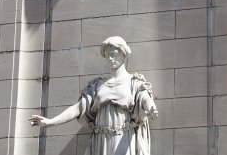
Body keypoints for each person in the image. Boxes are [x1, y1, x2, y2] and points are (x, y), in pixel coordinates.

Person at [29, 36, 158, 155]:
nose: (110, 59)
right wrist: (51, 122)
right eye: (107, 56)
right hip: (101, 140)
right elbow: (78, 108)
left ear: (124, 54)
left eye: (113, 55)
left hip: (123, 137)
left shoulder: (134, 82)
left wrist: (150, 107)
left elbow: (144, 98)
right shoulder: (97, 85)